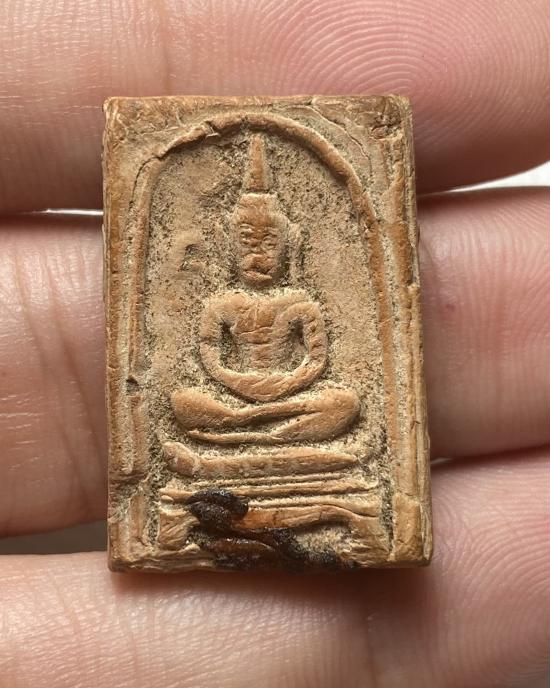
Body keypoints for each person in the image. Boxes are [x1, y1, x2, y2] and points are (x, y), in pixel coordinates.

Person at [1, 1, 549, 686]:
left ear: (290, 245)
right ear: (230, 246)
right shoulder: (222, 304)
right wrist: (241, 390)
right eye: (246, 241)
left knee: (343, 404)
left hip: (291, 403)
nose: (257, 252)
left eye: (269, 241)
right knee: (186, 404)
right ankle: (267, 457)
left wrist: (283, 389)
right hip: (231, 405)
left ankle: (252, 454)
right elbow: (209, 361)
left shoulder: (299, 302)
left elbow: (316, 362)